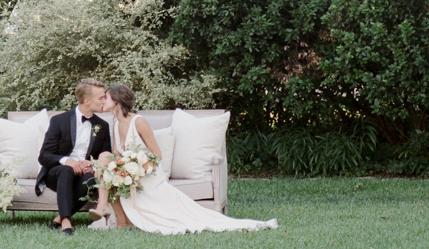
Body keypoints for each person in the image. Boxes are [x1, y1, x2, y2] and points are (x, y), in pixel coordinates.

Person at [97, 85, 278, 235]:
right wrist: (112, 167)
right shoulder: (116, 123)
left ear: (117, 101)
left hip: (147, 174)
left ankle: (124, 217)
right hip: (130, 173)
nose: (103, 100)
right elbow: (116, 154)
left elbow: (157, 155)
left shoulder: (139, 122)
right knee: (108, 167)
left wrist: (137, 171)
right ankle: (122, 221)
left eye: (106, 97)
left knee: (180, 217)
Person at [36, 79, 112, 236]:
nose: (104, 100)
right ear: (87, 101)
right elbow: (44, 156)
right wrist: (68, 161)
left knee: (91, 179)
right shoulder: (59, 121)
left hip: (85, 174)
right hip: (57, 174)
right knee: (66, 171)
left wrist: (92, 165)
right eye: (101, 98)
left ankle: (60, 217)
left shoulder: (102, 126)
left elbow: (106, 154)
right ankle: (65, 220)